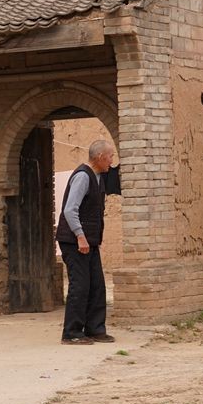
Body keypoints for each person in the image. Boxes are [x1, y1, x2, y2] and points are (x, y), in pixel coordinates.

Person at [57, 137, 121, 345]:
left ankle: (95, 329)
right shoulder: (83, 177)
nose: (112, 160)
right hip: (75, 241)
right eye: (110, 156)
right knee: (80, 285)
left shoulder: (98, 176)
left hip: (89, 241)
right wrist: (81, 237)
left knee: (97, 285)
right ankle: (72, 333)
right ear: (100, 157)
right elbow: (69, 209)